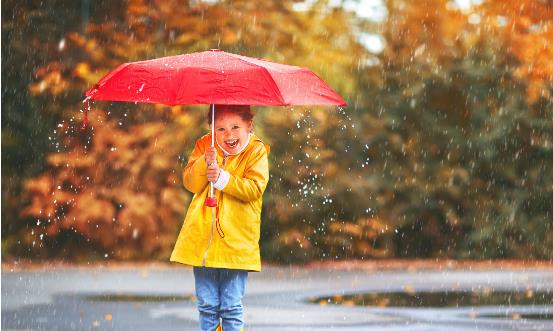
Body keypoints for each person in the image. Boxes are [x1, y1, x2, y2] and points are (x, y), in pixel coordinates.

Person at [170, 104, 270, 331]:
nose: (229, 134)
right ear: (212, 129)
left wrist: (223, 178)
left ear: (249, 126)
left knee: (230, 306)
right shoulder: (206, 145)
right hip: (204, 240)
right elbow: (192, 184)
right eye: (221, 129)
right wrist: (205, 164)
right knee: (207, 305)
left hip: (236, 243)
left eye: (235, 127)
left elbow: (254, 189)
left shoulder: (256, 152)